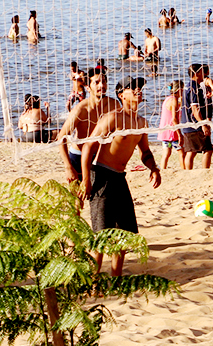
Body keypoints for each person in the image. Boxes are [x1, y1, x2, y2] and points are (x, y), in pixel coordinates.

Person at [79, 76, 162, 276]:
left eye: (139, 87)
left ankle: (116, 279)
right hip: (101, 175)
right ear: (121, 95)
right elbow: (88, 147)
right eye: (132, 88)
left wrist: (154, 168)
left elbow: (145, 152)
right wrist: (85, 180)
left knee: (123, 234)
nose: (137, 90)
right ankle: (94, 282)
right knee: (101, 235)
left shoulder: (142, 122)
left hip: (120, 178)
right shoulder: (112, 117)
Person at [58, 69, 118, 183]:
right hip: (78, 157)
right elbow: (61, 138)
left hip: (101, 157)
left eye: (104, 81)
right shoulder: (81, 109)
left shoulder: (113, 105)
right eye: (96, 82)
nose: (102, 85)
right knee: (78, 198)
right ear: (88, 87)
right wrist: (68, 167)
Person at [179, 63, 213, 170]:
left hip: (186, 123)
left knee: (191, 151)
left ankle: (188, 173)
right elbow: (195, 109)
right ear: (197, 73)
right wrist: (203, 124)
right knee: (208, 149)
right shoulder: (195, 88)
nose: (205, 75)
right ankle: (205, 171)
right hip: (194, 124)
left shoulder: (187, 86)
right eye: (203, 72)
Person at [157, 80, 182, 169]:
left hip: (164, 131)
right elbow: (174, 119)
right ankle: (184, 170)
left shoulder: (168, 99)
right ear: (179, 90)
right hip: (172, 132)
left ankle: (163, 169)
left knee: (166, 153)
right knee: (181, 151)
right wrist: (180, 134)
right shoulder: (174, 100)